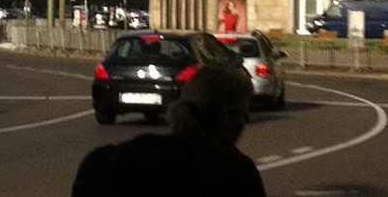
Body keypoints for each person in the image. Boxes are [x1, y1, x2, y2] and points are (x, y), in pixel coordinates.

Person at [72, 65, 266, 196]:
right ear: (225, 116)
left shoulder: (106, 161)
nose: (246, 120)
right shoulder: (235, 173)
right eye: (243, 111)